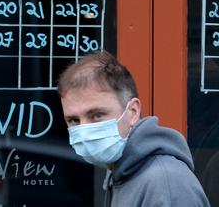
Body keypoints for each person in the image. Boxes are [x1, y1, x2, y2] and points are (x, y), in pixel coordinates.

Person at [58, 51, 210, 207]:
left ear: (133, 111)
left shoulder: (165, 184)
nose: (84, 130)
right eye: (73, 120)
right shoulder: (121, 172)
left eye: (97, 115)